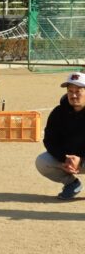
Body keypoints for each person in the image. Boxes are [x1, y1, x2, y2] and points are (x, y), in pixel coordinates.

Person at [35, 72, 85, 200]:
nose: (73, 95)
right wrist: (64, 158)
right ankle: (71, 183)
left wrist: (81, 160)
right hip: (68, 161)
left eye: (78, 91)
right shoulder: (58, 112)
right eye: (70, 91)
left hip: (82, 160)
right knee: (42, 161)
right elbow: (50, 140)